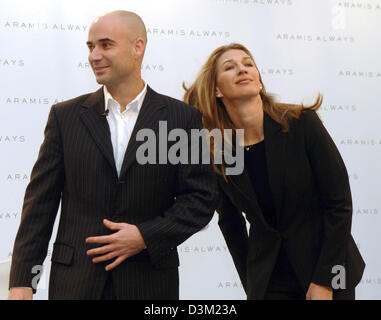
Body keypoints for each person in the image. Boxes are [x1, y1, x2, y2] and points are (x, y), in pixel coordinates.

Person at [8, 10, 218, 300]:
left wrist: (145, 236)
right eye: (90, 47)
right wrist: (22, 283)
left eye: (105, 45)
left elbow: (201, 200)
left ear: (138, 47)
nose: (94, 55)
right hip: (75, 284)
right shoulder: (65, 117)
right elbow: (39, 206)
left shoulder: (182, 118)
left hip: (149, 283)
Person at [183, 43, 365, 300]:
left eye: (248, 64)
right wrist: (253, 285)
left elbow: (339, 204)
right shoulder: (218, 151)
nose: (242, 70)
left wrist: (326, 281)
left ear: (258, 81)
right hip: (271, 279)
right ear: (216, 89)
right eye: (230, 67)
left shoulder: (302, 124)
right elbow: (231, 223)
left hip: (328, 266)